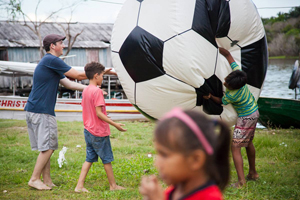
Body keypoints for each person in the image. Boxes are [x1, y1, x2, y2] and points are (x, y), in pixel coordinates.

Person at [24, 34, 115, 190]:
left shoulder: (50, 64)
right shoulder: (52, 60)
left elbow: (69, 84)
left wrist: (92, 89)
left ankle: (46, 180)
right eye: (60, 43)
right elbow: (79, 75)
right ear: (52, 46)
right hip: (42, 110)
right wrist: (102, 72)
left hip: (34, 109)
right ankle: (34, 179)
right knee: (49, 147)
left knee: (46, 147)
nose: (63, 46)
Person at [139, 108, 231, 200]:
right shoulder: (173, 192)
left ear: (195, 159)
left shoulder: (210, 197)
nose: (157, 163)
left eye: (164, 155)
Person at [203, 47, 260, 187]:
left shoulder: (232, 95)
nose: (224, 83)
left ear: (233, 87)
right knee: (248, 142)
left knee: (235, 147)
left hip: (245, 118)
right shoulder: (240, 79)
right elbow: (230, 58)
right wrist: (222, 50)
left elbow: (221, 101)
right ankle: (253, 173)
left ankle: (241, 182)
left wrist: (210, 96)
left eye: (227, 84)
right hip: (255, 112)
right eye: (226, 80)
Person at [75, 62, 126, 193]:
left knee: (89, 158)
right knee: (107, 159)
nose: (103, 78)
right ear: (96, 76)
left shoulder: (86, 89)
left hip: (88, 130)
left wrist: (102, 114)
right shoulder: (97, 92)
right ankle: (113, 186)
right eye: (102, 75)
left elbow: (90, 109)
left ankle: (79, 186)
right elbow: (98, 113)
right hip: (98, 132)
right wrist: (115, 125)